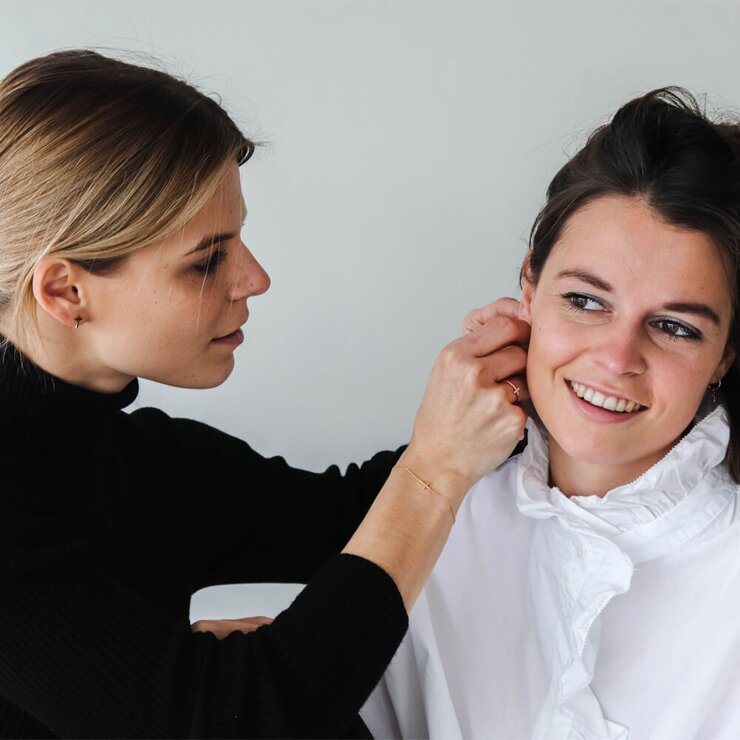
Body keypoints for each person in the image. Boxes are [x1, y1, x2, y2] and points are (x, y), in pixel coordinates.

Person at [0, 50, 529, 738]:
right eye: (207, 259)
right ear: (67, 291)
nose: (255, 278)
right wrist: (436, 473)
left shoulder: (153, 462)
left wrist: (529, 380)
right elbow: (242, 722)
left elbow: (344, 513)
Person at [360, 88, 740, 740]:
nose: (618, 357)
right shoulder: (431, 525)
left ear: (726, 355)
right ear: (529, 290)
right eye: (586, 302)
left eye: (675, 326)